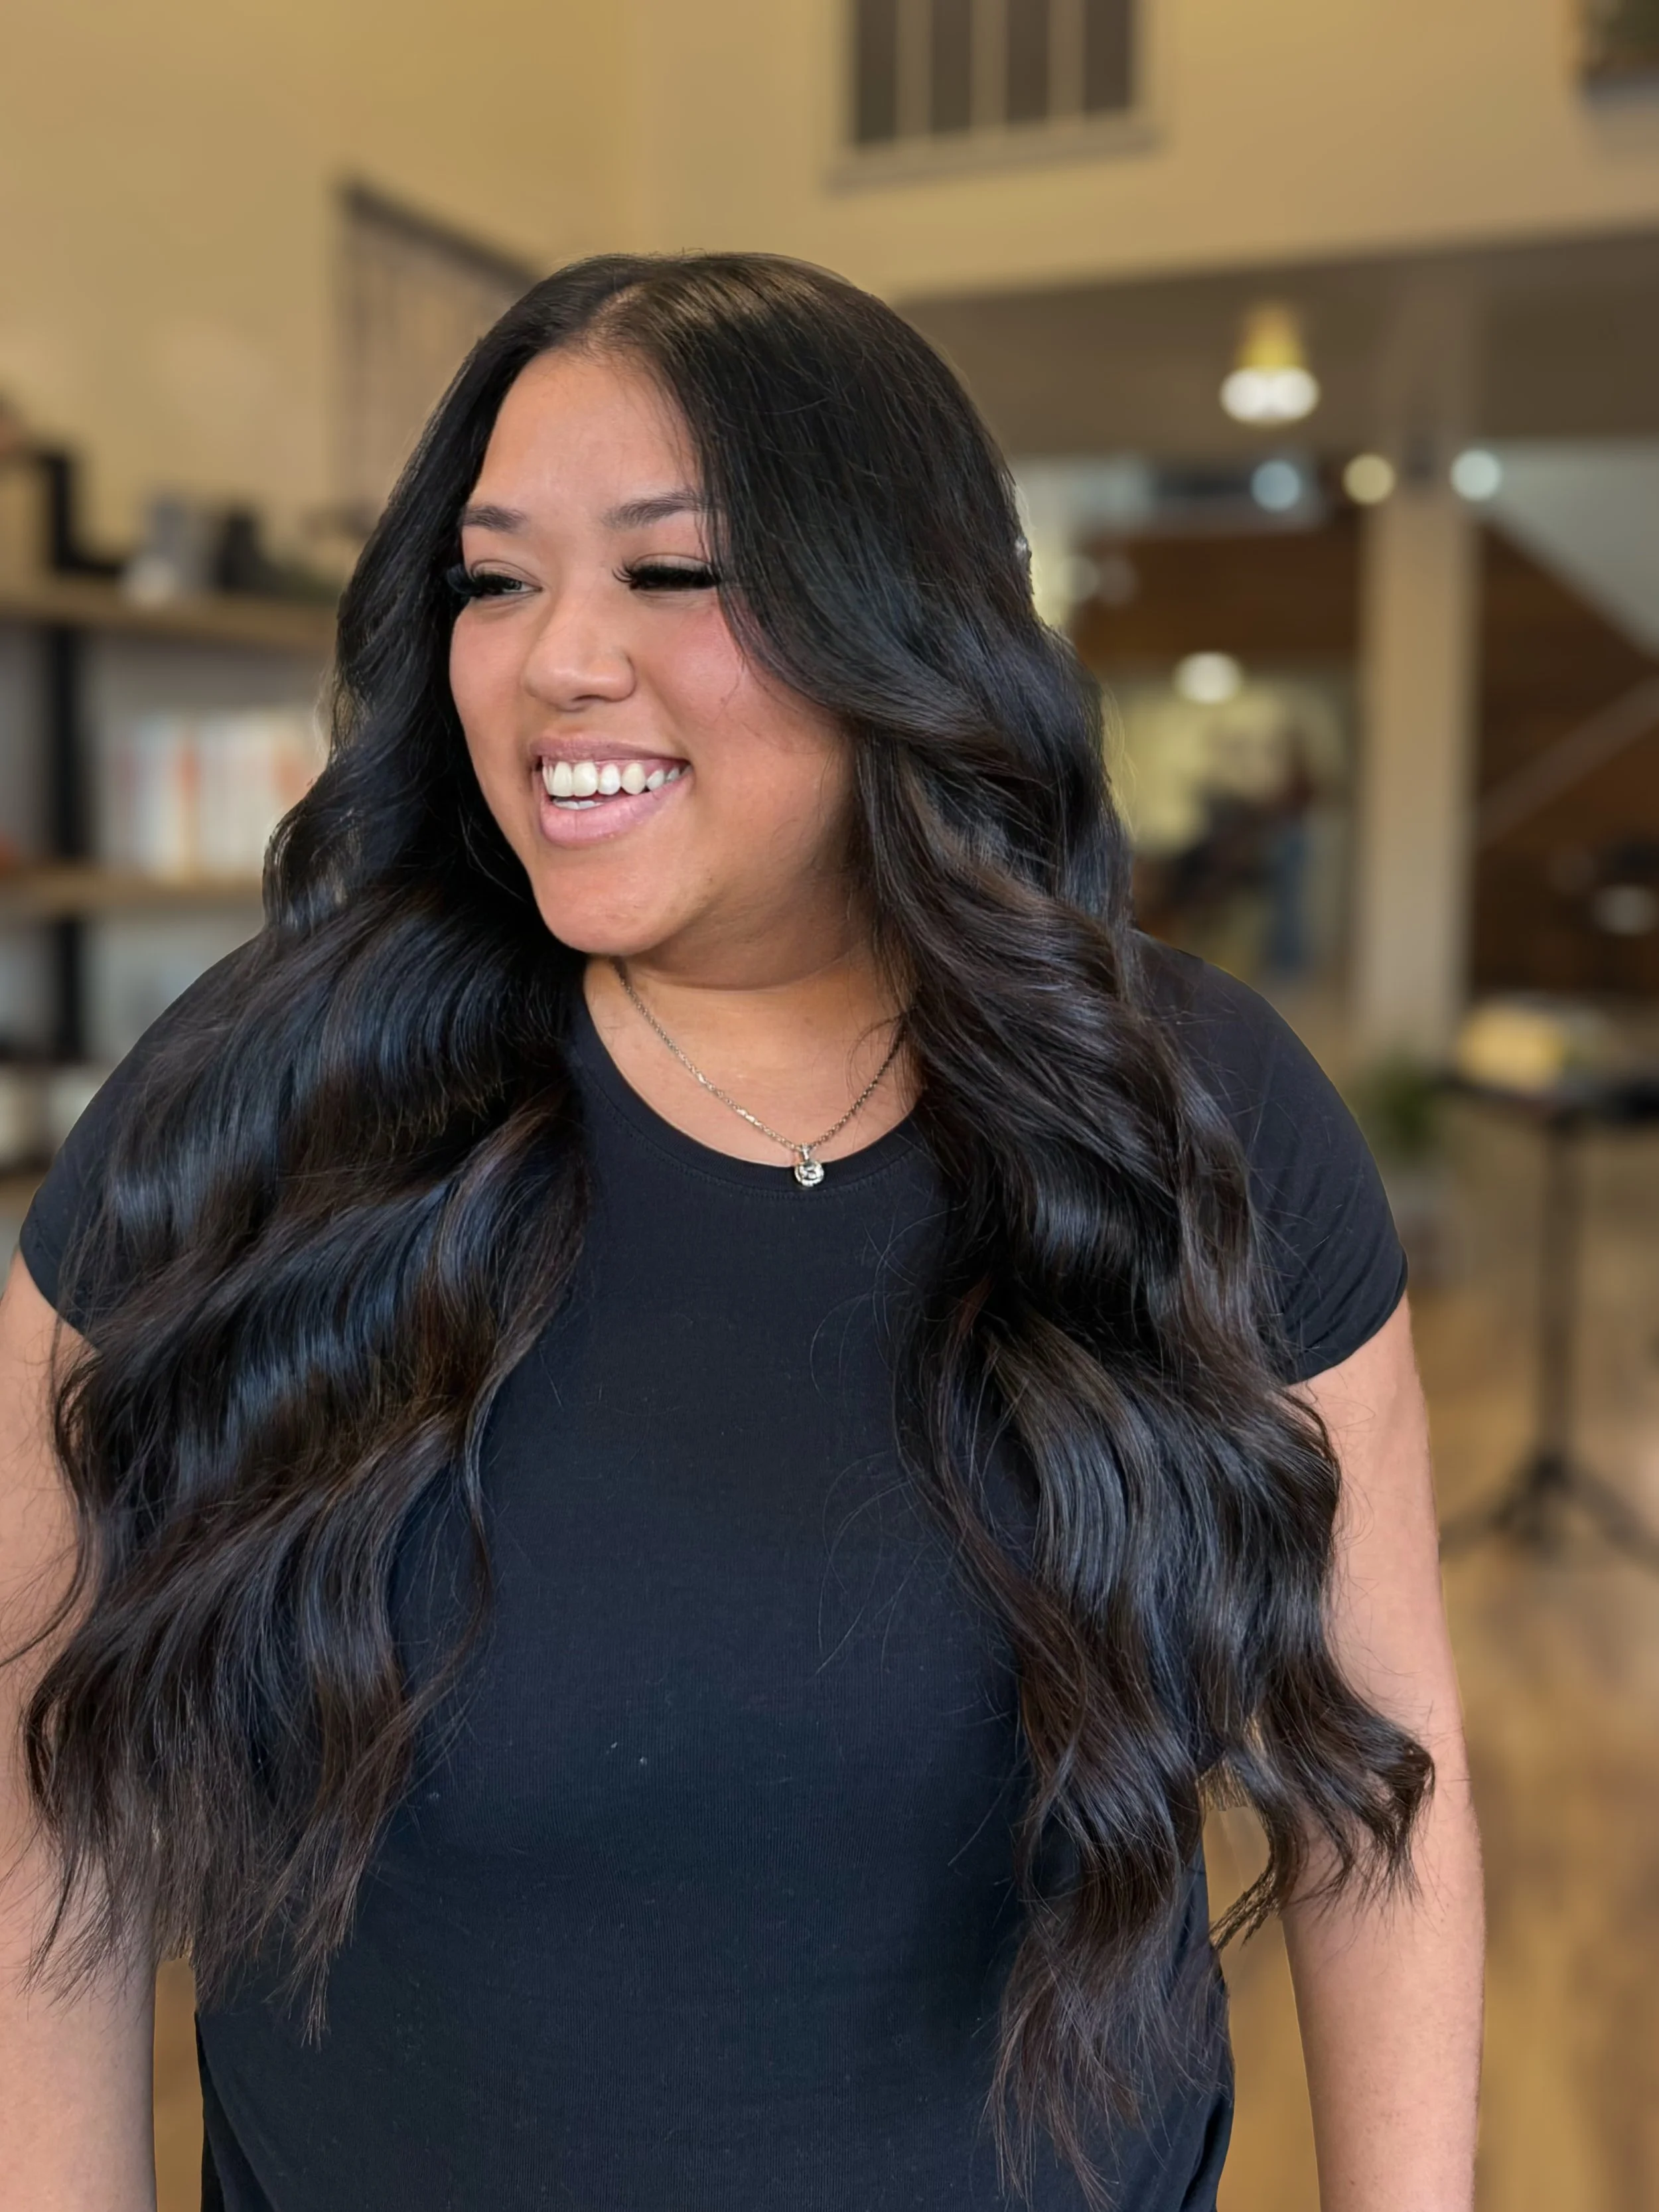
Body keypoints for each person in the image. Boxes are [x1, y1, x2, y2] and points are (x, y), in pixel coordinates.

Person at [0, 254, 1482, 2212]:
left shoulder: (1192, 1111)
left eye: (669, 574)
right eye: (497, 577)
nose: (556, 662)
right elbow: (37, 1777)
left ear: (900, 607)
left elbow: (1376, 1800)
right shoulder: (263, 1098)